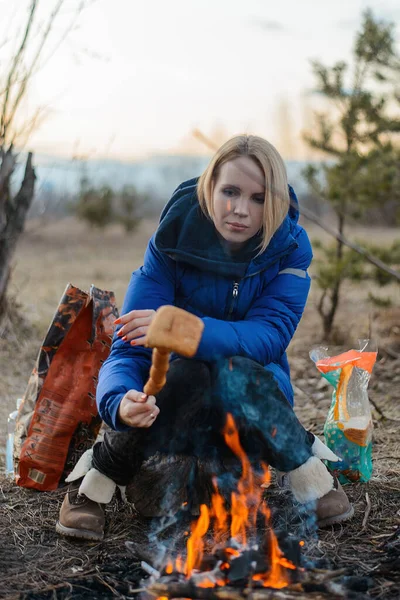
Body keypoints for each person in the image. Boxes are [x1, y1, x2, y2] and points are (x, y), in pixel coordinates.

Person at [56, 135, 353, 541]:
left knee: (234, 369)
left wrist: (188, 331)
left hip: (255, 402)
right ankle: (98, 479)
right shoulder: (170, 242)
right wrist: (119, 401)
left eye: (258, 198)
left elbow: (269, 336)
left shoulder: (289, 249)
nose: (240, 210)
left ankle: (309, 474)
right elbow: (128, 349)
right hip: (174, 402)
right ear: (209, 187)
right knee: (190, 371)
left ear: (276, 202)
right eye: (230, 192)